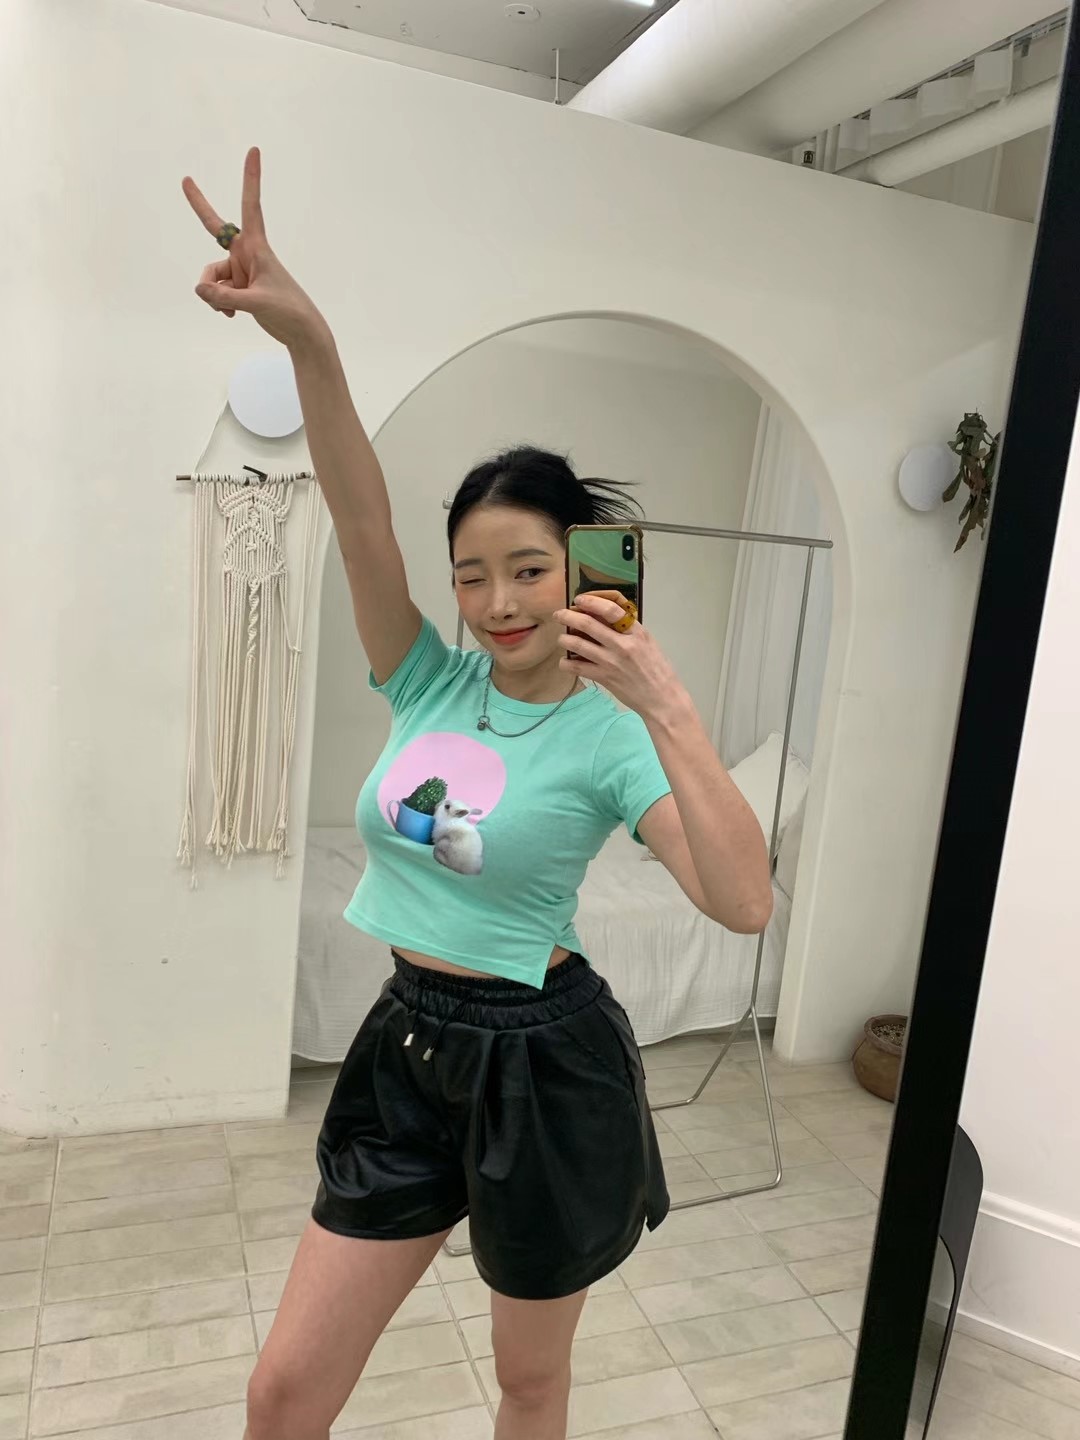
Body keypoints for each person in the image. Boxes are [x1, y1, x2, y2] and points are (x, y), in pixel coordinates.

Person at [183, 148, 773, 1440]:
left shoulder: (616, 735)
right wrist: (310, 342)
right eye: (472, 574)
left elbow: (743, 903)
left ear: (583, 572)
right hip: (407, 1044)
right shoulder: (429, 681)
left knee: (529, 1383)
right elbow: (358, 518)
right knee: (284, 1390)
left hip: (543, 1065)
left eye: (529, 570)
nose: (498, 602)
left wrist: (667, 704)